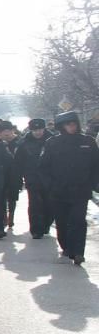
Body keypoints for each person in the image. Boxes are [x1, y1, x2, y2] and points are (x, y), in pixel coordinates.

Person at [37, 111, 99, 265]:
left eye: (73, 124)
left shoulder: (88, 142)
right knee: (62, 221)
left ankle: (78, 252)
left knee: (78, 221)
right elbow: (43, 167)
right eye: (68, 124)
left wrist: (93, 184)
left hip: (80, 190)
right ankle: (66, 246)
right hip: (59, 191)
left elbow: (96, 166)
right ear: (62, 126)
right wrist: (50, 186)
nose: (71, 127)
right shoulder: (52, 143)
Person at [13, 118, 53, 238]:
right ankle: (36, 230)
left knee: (49, 204)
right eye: (35, 130)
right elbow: (18, 162)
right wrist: (18, 179)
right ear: (31, 130)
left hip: (50, 178)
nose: (38, 132)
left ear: (44, 128)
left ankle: (46, 224)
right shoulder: (24, 143)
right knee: (35, 204)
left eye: (40, 129)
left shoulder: (52, 140)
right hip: (32, 178)